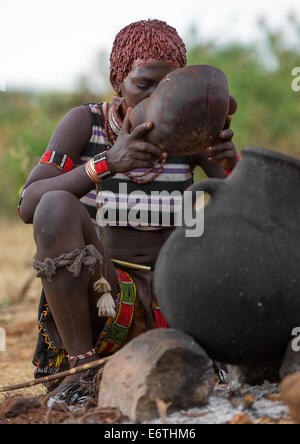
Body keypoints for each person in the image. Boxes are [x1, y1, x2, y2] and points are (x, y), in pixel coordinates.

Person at [18, 19, 239, 397]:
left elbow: (246, 213)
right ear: (118, 80)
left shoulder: (191, 135)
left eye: (165, 86)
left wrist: (228, 163)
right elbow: (28, 204)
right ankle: (82, 371)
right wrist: (107, 163)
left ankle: (211, 358)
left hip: (174, 298)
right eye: (143, 85)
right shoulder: (85, 124)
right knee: (55, 206)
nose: (154, 97)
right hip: (105, 300)